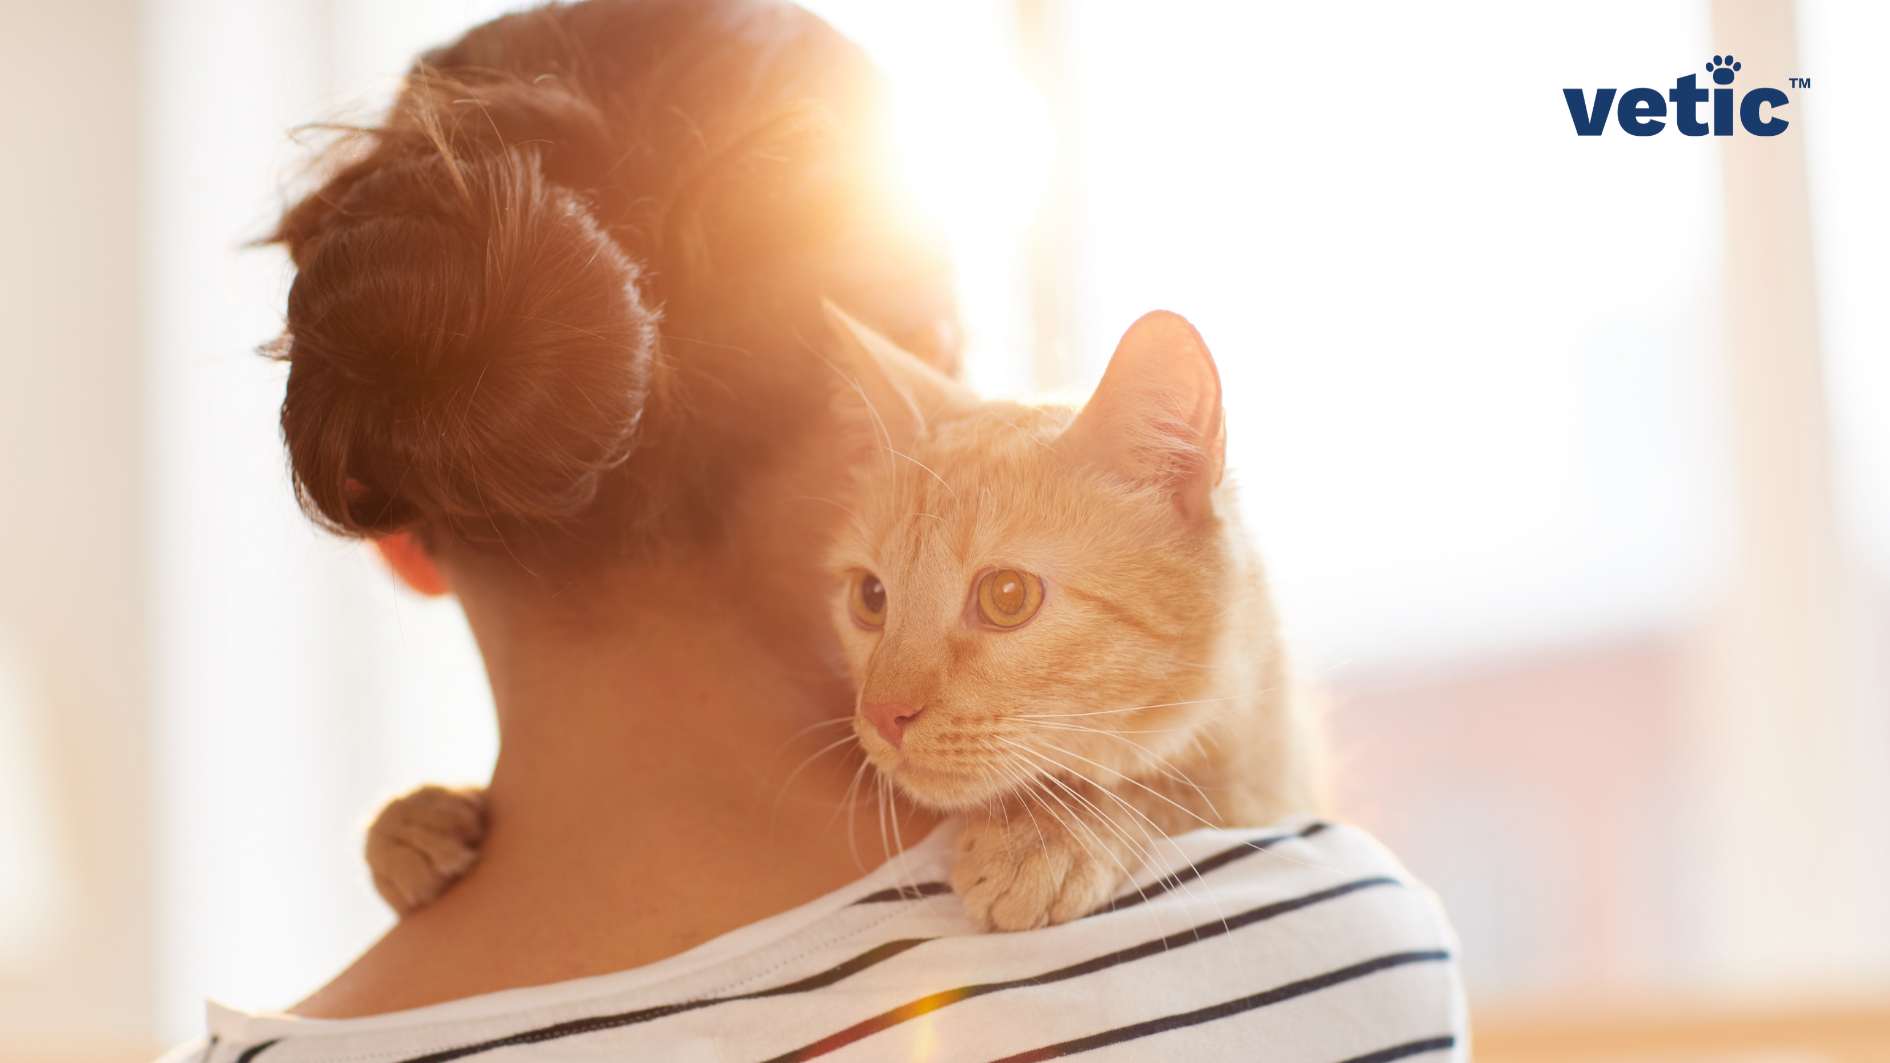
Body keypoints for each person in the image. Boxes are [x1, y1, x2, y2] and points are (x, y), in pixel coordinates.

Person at [164, 2, 1465, 1059]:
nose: (898, 690)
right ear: (897, 412)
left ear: (400, 530)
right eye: (878, 599)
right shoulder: (1317, 954)